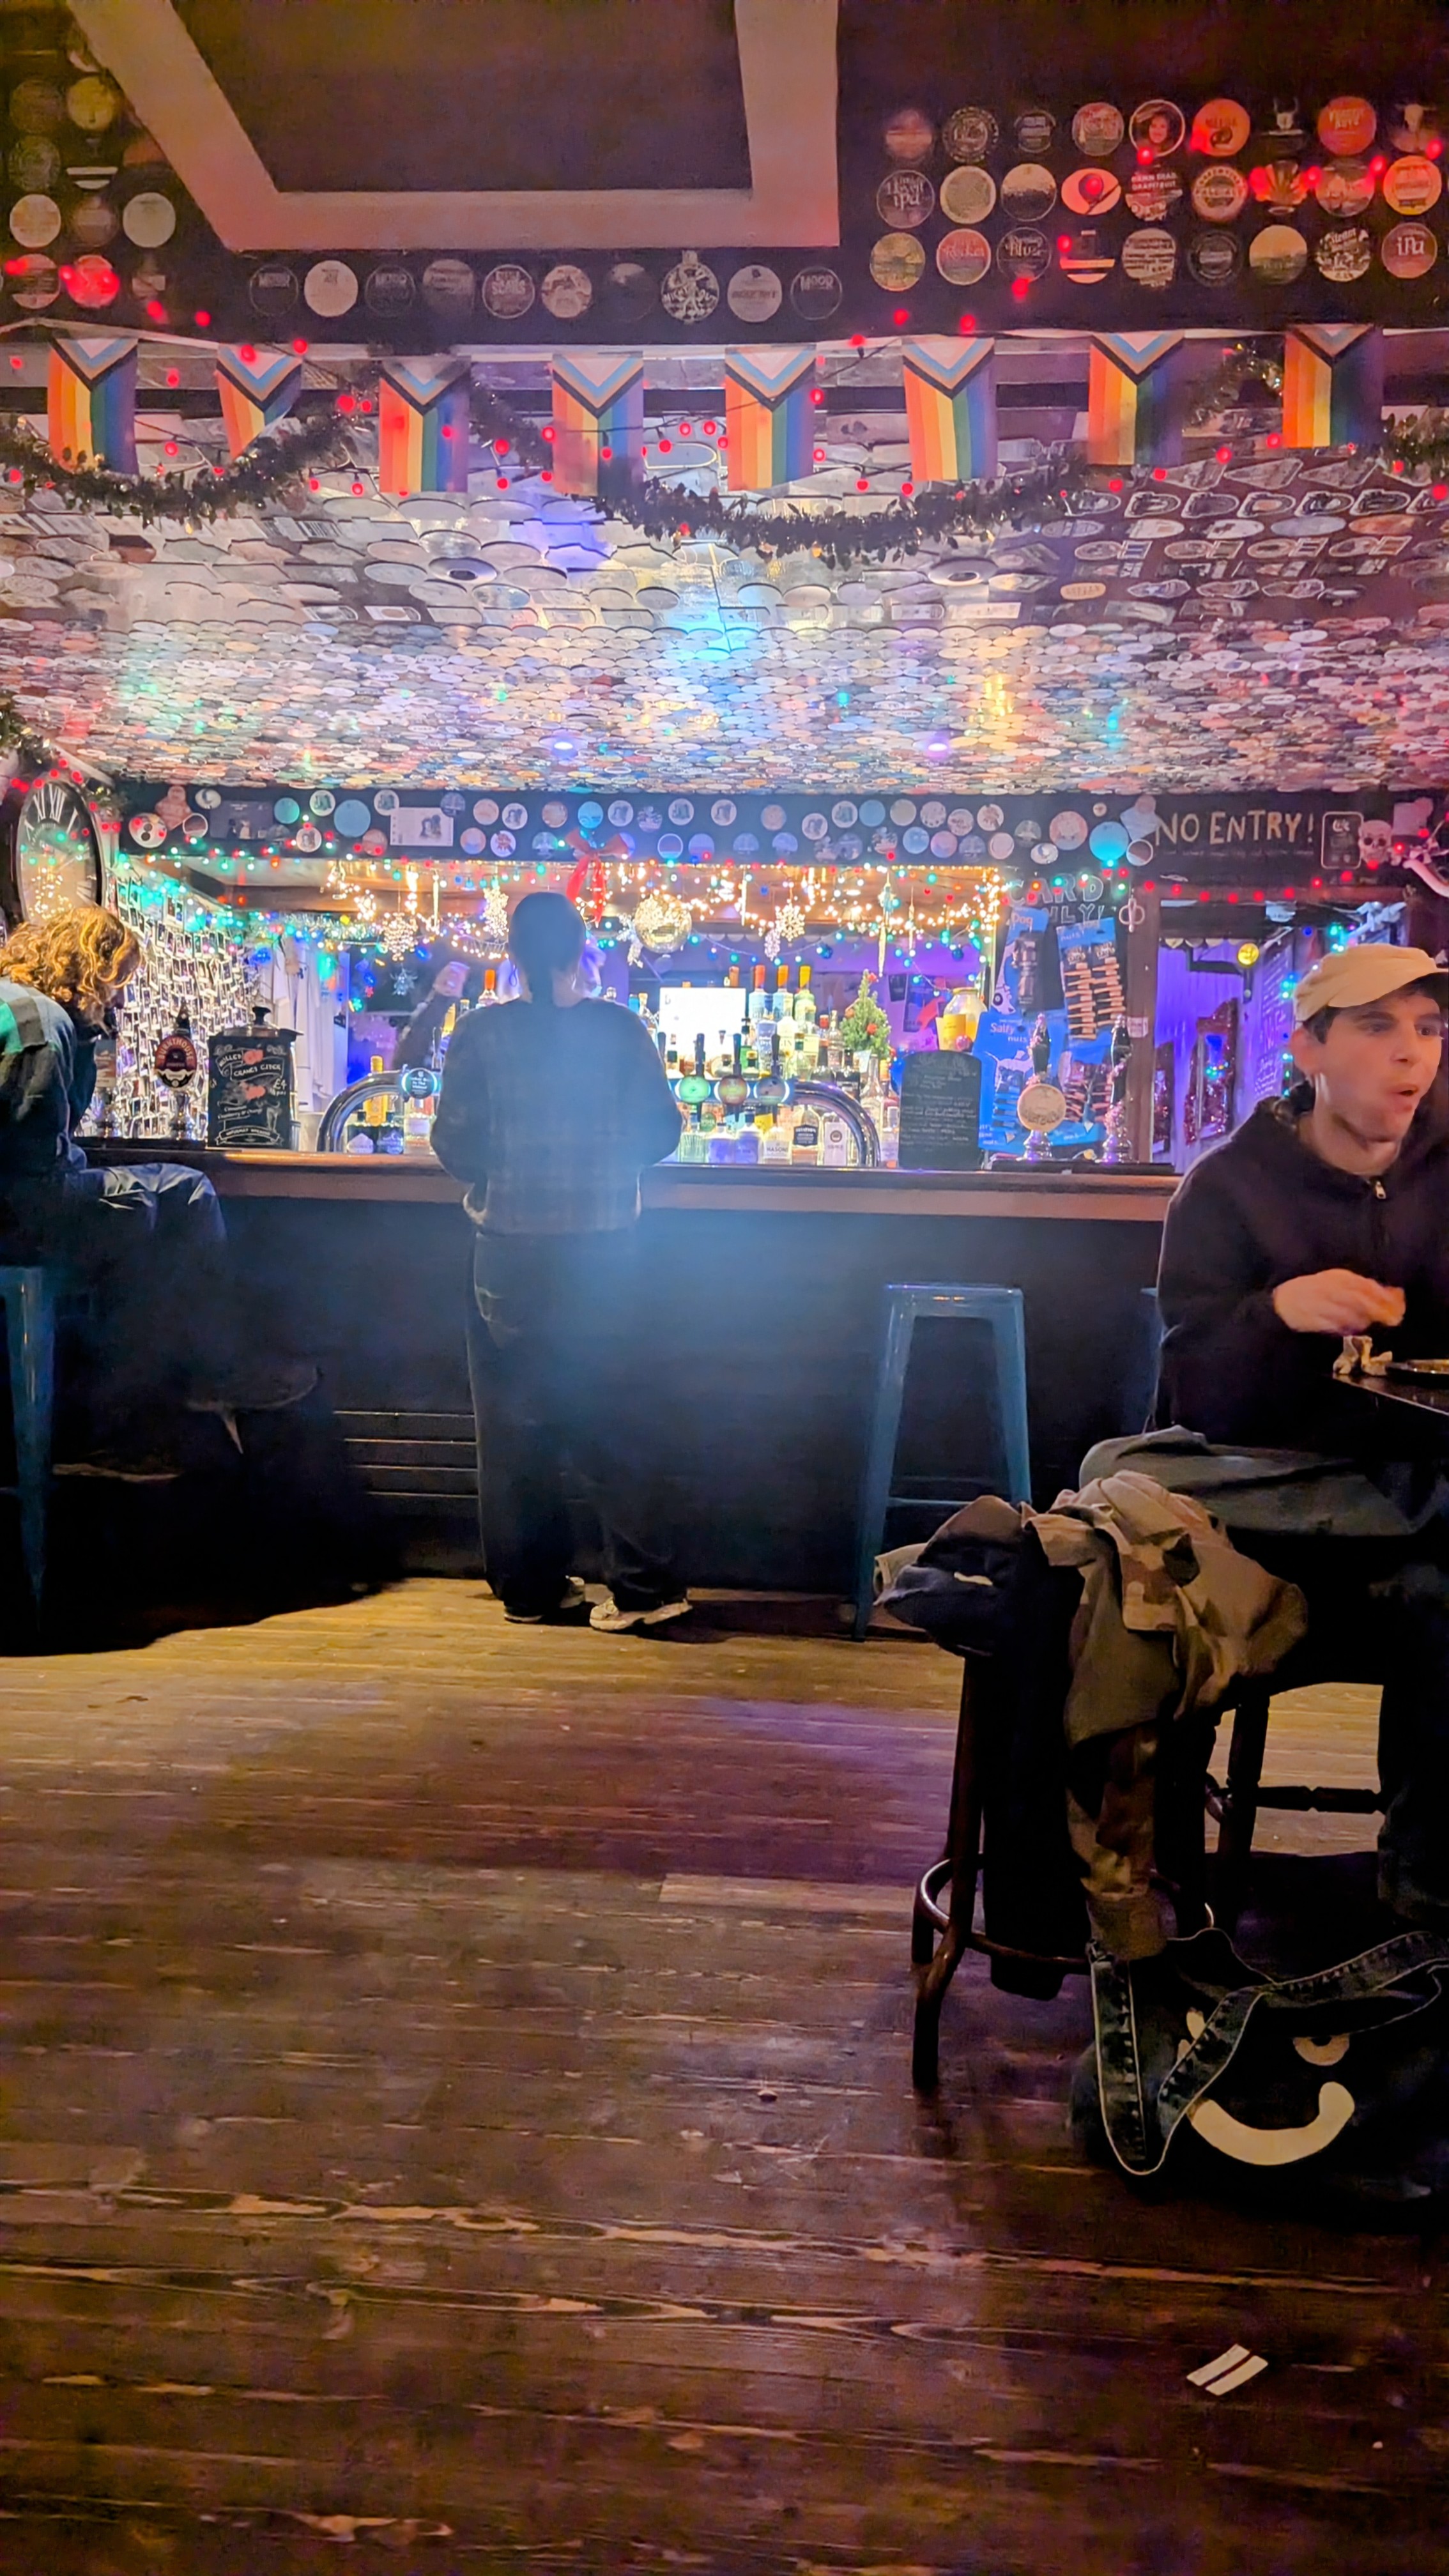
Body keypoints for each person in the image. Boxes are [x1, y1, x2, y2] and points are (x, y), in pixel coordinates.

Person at [1155, 943, 1449, 1924]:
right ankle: (1167, 1903)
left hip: (1413, 1510)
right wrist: (1278, 1313)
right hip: (1266, 1517)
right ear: (1310, 1048)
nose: (1412, 1054)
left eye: (1428, 1028)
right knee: (1152, 1570)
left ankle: (1423, 1908)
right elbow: (1194, 1392)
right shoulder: (1229, 1188)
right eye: (1378, 1027)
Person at [431, 891, 687, 1630]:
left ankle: (531, 1590)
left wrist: (507, 1169)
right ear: (584, 951)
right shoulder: (620, 1029)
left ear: (512, 953)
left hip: (510, 1252)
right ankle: (645, 1591)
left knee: (514, 1428)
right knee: (617, 1418)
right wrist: (606, 1163)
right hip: (606, 1250)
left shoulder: (481, 1033)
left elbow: (454, 1143)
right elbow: (662, 1132)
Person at [0, 903, 313, 1471]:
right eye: (118, 981)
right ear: (90, 970)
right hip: (17, 1210)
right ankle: (200, 1378)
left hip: (15, 1201)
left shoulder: (17, 1006)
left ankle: (116, 1419)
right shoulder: (41, 1027)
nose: (121, 999)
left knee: (140, 1214)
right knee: (183, 1193)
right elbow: (36, 1156)